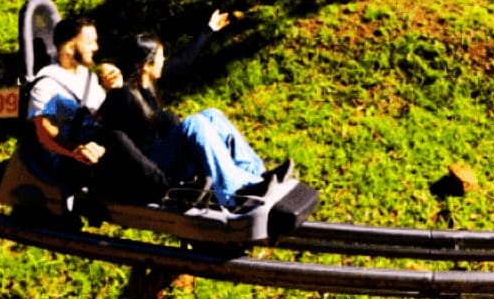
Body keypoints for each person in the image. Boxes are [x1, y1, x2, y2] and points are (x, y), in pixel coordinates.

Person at [99, 11, 294, 209]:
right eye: (160, 56)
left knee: (211, 114)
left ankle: (256, 175)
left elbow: (183, 60)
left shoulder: (149, 82)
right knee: (195, 123)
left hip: (167, 153)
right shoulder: (123, 95)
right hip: (151, 164)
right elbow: (113, 126)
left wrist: (208, 30)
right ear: (146, 65)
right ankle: (235, 193)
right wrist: (114, 86)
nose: (164, 59)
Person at [27, 16, 171, 204]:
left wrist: (117, 88)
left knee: (158, 114)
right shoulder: (48, 85)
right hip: (73, 161)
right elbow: (45, 132)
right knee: (115, 139)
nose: (96, 47)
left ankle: (173, 159)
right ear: (71, 47)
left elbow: (102, 115)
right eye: (90, 42)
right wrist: (76, 150)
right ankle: (163, 188)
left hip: (98, 147)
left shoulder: (85, 77)